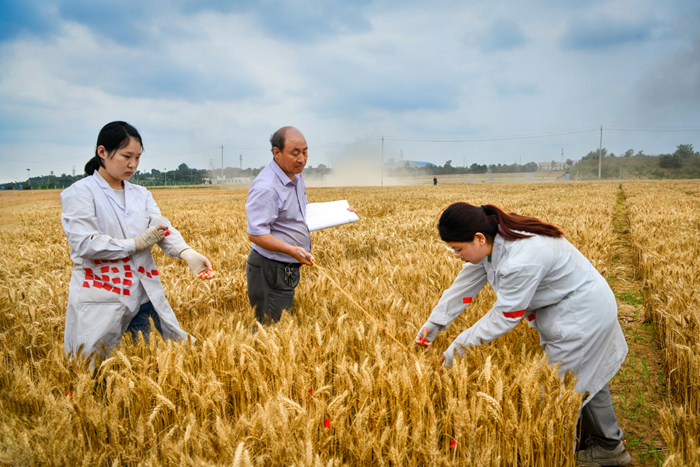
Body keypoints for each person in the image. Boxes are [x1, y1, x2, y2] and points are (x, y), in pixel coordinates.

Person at [415, 202, 631, 467]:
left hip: (582, 318)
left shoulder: (521, 258)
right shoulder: (493, 240)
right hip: (584, 305)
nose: (456, 255)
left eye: (458, 249)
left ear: (479, 238)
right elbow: (463, 288)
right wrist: (433, 326)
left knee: (552, 397)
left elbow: (504, 317)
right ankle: (610, 448)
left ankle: (559, 458)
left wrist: (454, 350)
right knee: (587, 378)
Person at [61, 121, 214, 361]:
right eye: (126, 156)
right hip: (103, 296)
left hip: (143, 297)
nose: (133, 164)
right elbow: (86, 243)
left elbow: (161, 227)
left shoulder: (140, 194)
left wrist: (186, 252)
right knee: (93, 370)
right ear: (102, 152)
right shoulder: (79, 193)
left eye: (138, 158)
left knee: (148, 365)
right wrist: (136, 243)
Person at [246, 126, 355, 324]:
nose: (302, 159)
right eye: (295, 153)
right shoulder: (266, 188)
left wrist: (340, 212)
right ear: (276, 152)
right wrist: (292, 250)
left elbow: (299, 212)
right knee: (270, 329)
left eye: (305, 152)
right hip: (270, 267)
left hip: (284, 266)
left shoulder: (296, 176)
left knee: (279, 326)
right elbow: (256, 234)